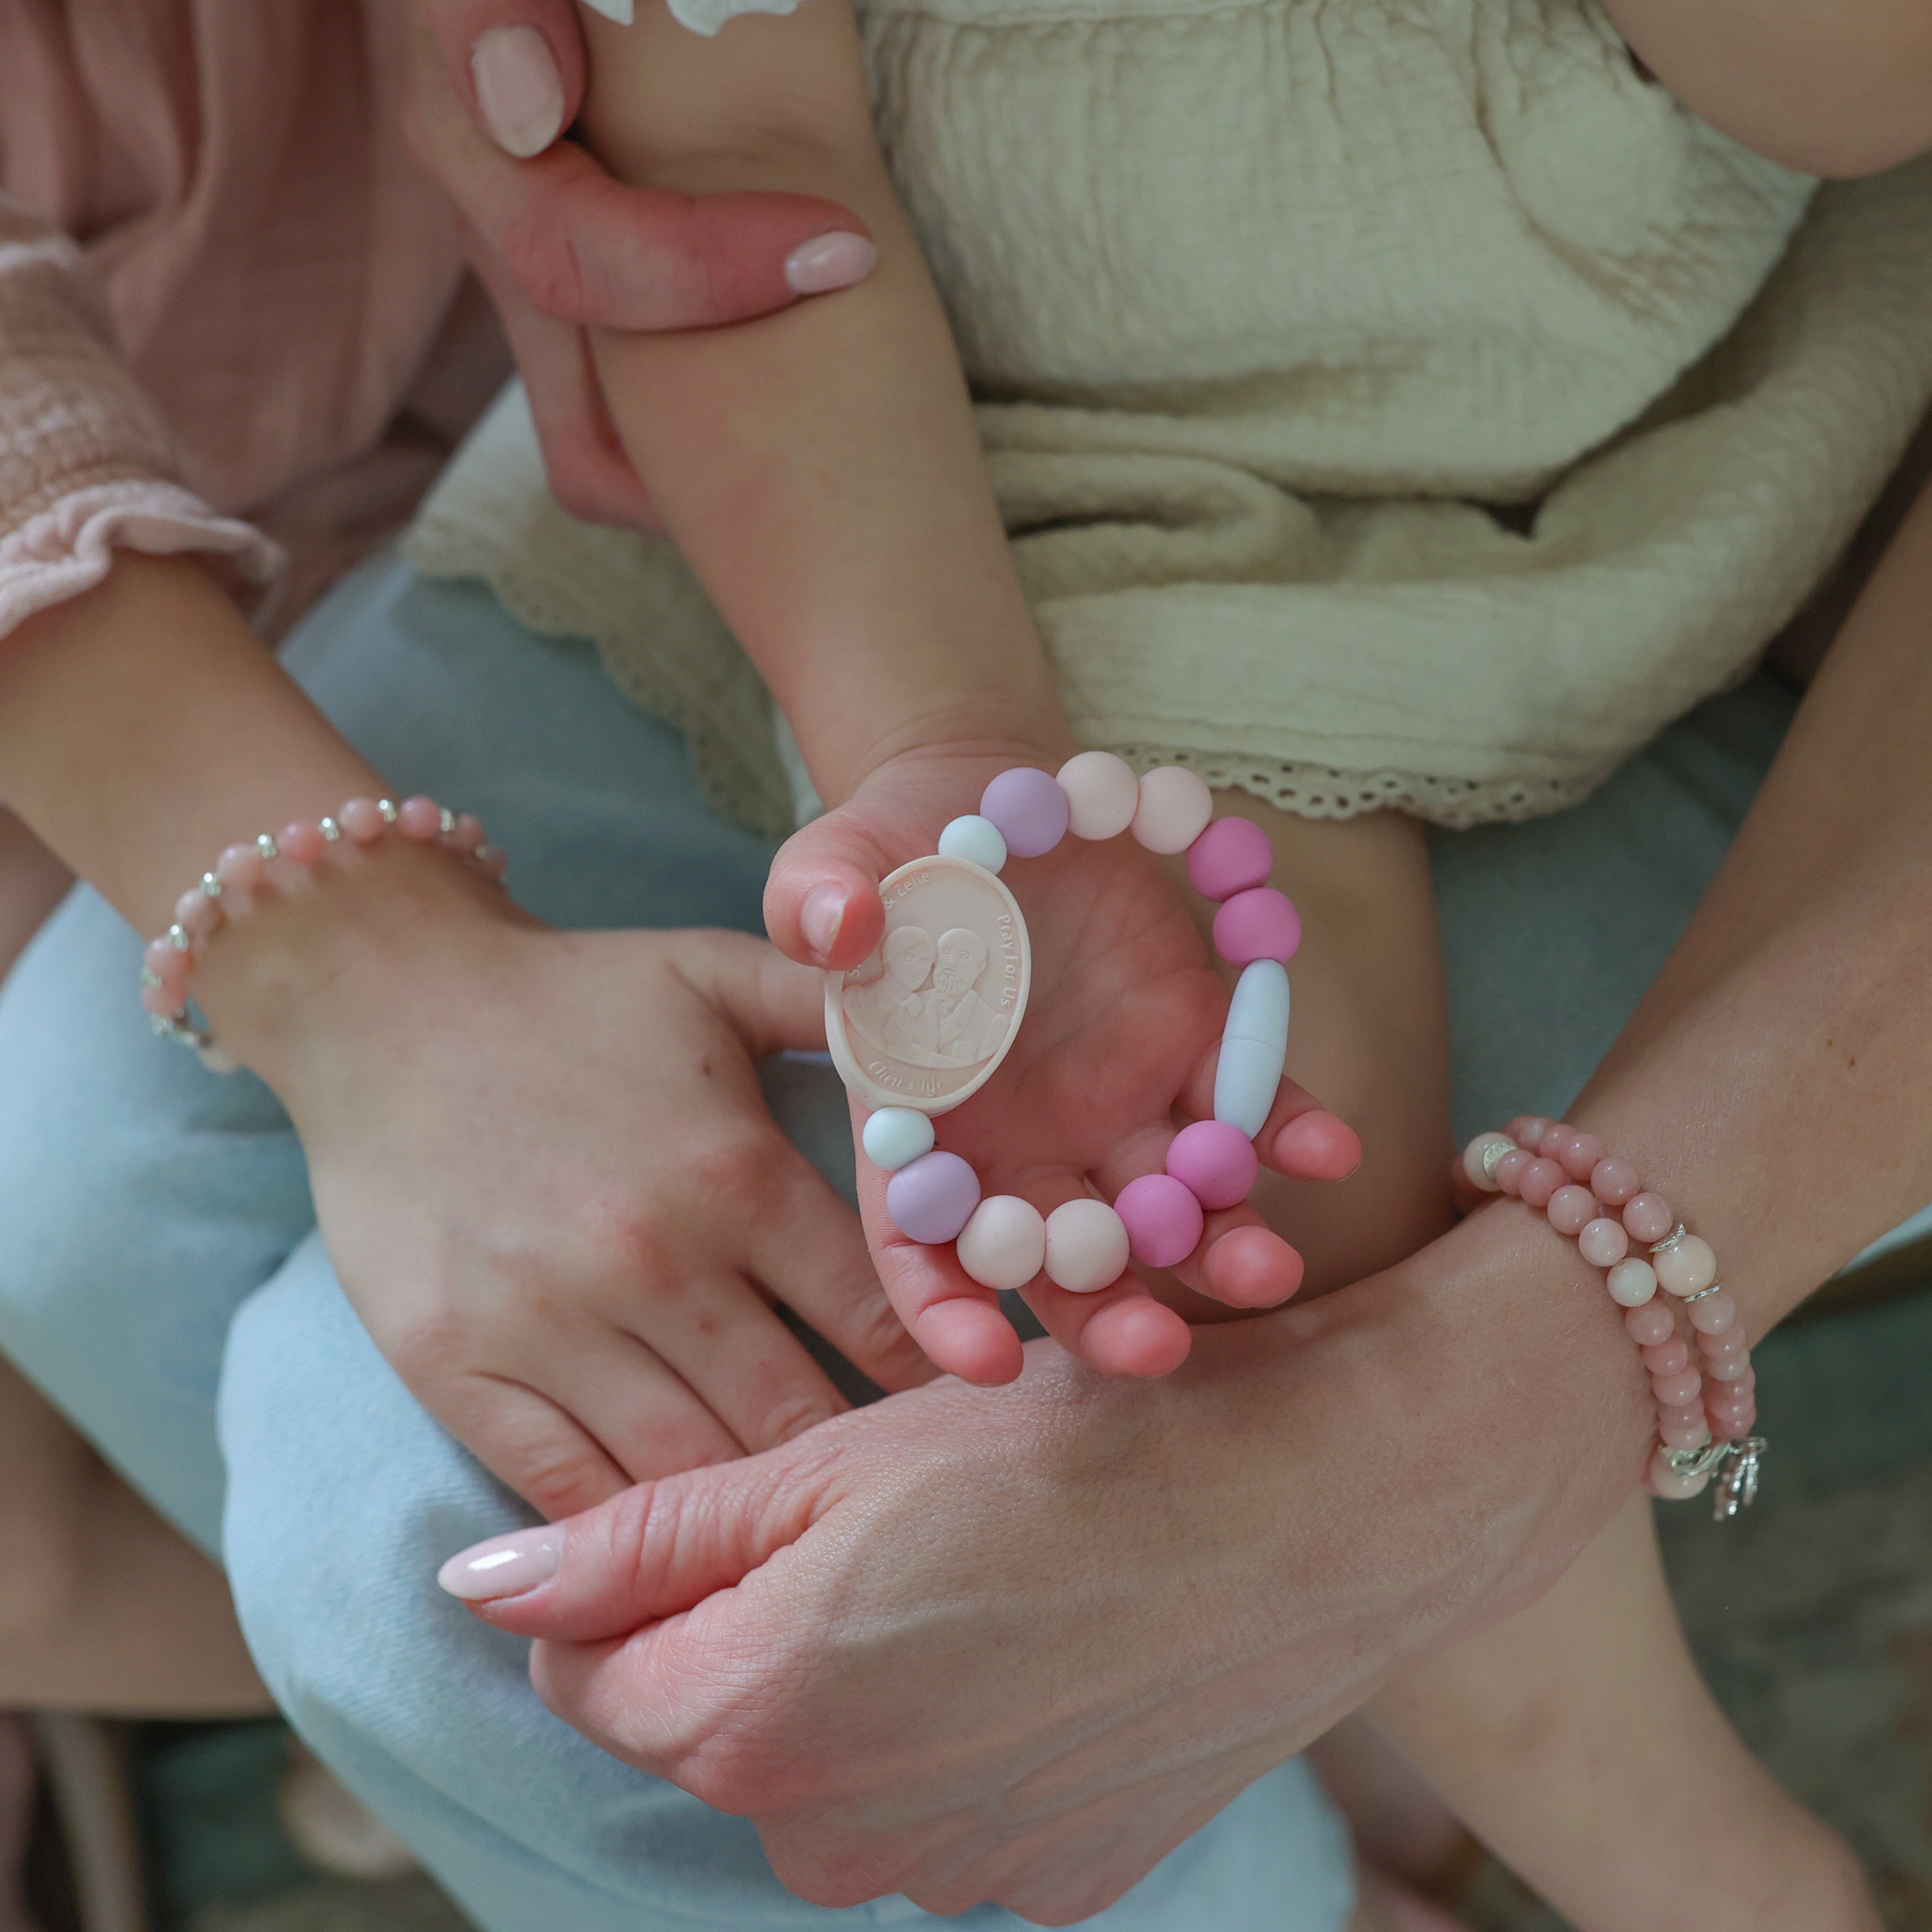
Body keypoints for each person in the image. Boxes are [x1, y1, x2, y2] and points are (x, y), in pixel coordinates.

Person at [0, 4, 1928, 1932]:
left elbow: (1845, 89)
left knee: (1250, 1246)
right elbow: (743, 181)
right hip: (856, 497)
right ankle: (1290, 1851)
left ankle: (1697, 1872)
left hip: (1428, 526)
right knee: (79, 1180)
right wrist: (937, 741)